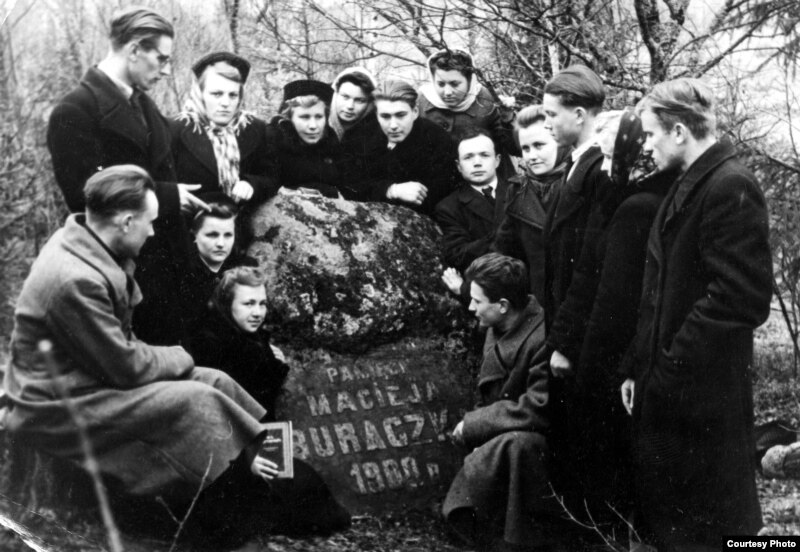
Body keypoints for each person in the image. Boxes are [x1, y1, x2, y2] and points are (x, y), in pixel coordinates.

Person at [3, 166, 349, 548]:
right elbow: (125, 366)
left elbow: (120, 352)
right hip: (56, 401)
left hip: (91, 378)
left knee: (216, 381)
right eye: (150, 222)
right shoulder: (77, 279)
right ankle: (227, 513)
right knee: (197, 401)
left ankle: (267, 481)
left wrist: (175, 361)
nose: (153, 232)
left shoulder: (92, 246)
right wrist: (180, 357)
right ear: (126, 222)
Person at [620, 79, 772, 550]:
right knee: (681, 526)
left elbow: (740, 297)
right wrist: (637, 365)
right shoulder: (689, 184)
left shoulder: (730, 185)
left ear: (679, 131)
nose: (646, 146)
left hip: (705, 394)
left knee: (719, 532)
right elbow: (657, 292)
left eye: (651, 135)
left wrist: (670, 367)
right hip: (676, 390)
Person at [45, 6, 209, 347]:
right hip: (125, 277)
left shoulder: (146, 106)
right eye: (161, 59)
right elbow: (85, 196)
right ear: (134, 50)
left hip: (170, 268)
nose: (166, 71)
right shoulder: (75, 111)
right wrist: (166, 196)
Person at [549, 109, 677, 530]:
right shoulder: (621, 196)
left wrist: (585, 360)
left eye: (610, 158)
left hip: (611, 354)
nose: (605, 169)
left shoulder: (636, 208)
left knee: (606, 458)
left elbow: (612, 300)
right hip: (612, 350)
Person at [442, 253, 554, 552]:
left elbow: (539, 406)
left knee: (515, 446)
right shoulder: (500, 324)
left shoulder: (543, 337)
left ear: (503, 305)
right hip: (513, 424)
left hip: (546, 442)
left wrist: (477, 424)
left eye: (477, 301)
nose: (470, 308)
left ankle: (515, 540)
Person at [171, 51, 279, 206]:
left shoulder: (255, 129)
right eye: (217, 94)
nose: (225, 103)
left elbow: (271, 178)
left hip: (241, 219)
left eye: (233, 95)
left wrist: (251, 184)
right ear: (199, 94)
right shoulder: (174, 130)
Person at [492, 105, 570, 304]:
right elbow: (504, 251)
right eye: (525, 149)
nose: (532, 156)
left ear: (560, 141)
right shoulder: (518, 190)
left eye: (539, 145)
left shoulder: (577, 184)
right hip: (539, 302)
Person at [190, 267, 289, 419]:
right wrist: (276, 367)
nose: (258, 313)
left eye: (262, 303)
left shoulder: (254, 339)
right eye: (248, 303)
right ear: (227, 304)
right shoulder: (212, 345)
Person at [418, 49, 519, 179]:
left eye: (455, 84)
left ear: (470, 80)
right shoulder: (420, 102)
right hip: (440, 182)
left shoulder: (487, 100)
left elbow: (516, 149)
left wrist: (508, 120)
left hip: (490, 180)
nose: (447, 92)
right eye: (441, 84)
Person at [367, 79, 458, 216]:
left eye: (400, 115)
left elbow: (441, 196)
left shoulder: (437, 140)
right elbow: (353, 183)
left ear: (415, 112)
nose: (393, 125)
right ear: (376, 115)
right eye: (385, 116)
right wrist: (391, 190)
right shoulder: (365, 136)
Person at [437, 128, 509, 298]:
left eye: (484, 155)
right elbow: (459, 255)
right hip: (488, 289)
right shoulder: (448, 207)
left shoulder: (520, 191)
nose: (477, 163)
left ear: (497, 160)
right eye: (468, 157)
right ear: (458, 166)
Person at [179, 201, 256, 336]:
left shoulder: (244, 268)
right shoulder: (183, 273)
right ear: (194, 235)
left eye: (228, 235)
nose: (221, 244)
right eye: (212, 235)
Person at [265, 79, 343, 198]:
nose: (313, 125)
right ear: (289, 117)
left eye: (319, 117)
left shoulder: (330, 142)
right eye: (304, 117)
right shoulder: (272, 140)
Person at [328, 67, 386, 200]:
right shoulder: (318, 121)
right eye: (345, 97)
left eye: (359, 100)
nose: (350, 106)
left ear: (369, 103)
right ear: (335, 94)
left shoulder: (377, 133)